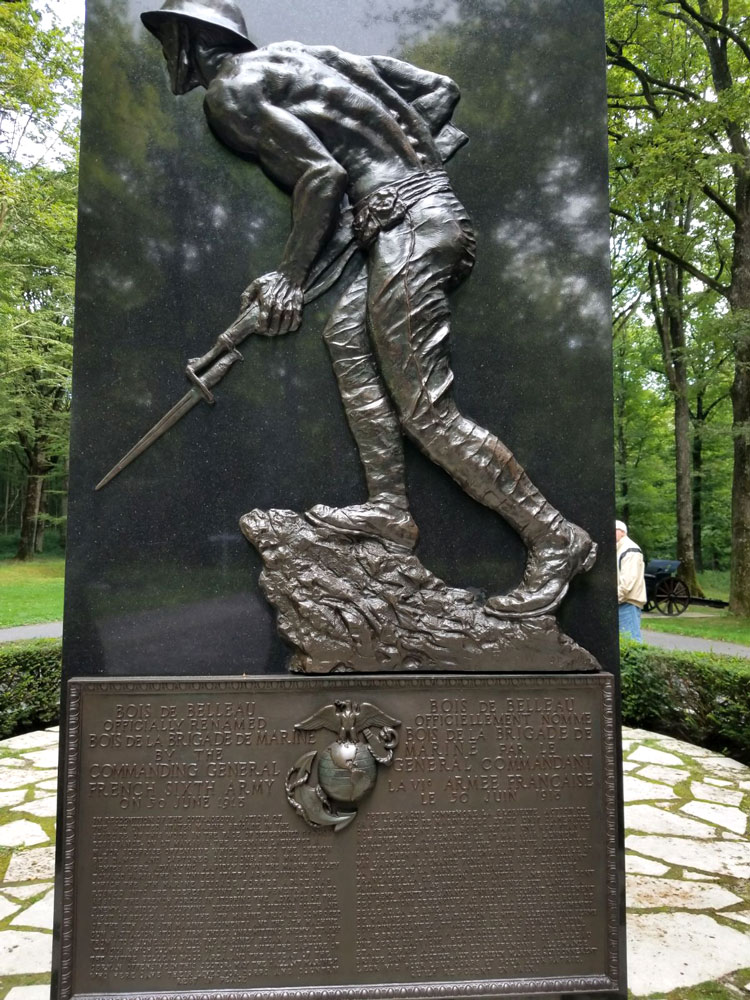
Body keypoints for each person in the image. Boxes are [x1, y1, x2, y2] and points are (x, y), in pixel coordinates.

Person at [139, 0, 597, 617]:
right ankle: (389, 508)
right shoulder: (304, 57)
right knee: (345, 338)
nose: (167, 48)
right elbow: (440, 91)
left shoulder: (230, 92)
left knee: (428, 414)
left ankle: (554, 537)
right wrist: (405, 183)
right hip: (422, 221)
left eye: (167, 34)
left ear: (189, 39)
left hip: (412, 230)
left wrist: (291, 276)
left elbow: (321, 177)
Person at [616, 519, 646, 641]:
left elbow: (628, 582)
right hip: (623, 601)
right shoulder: (620, 549)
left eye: (615, 531)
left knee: (631, 642)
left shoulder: (630, 550)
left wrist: (614, 599)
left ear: (623, 532)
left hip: (627, 603)